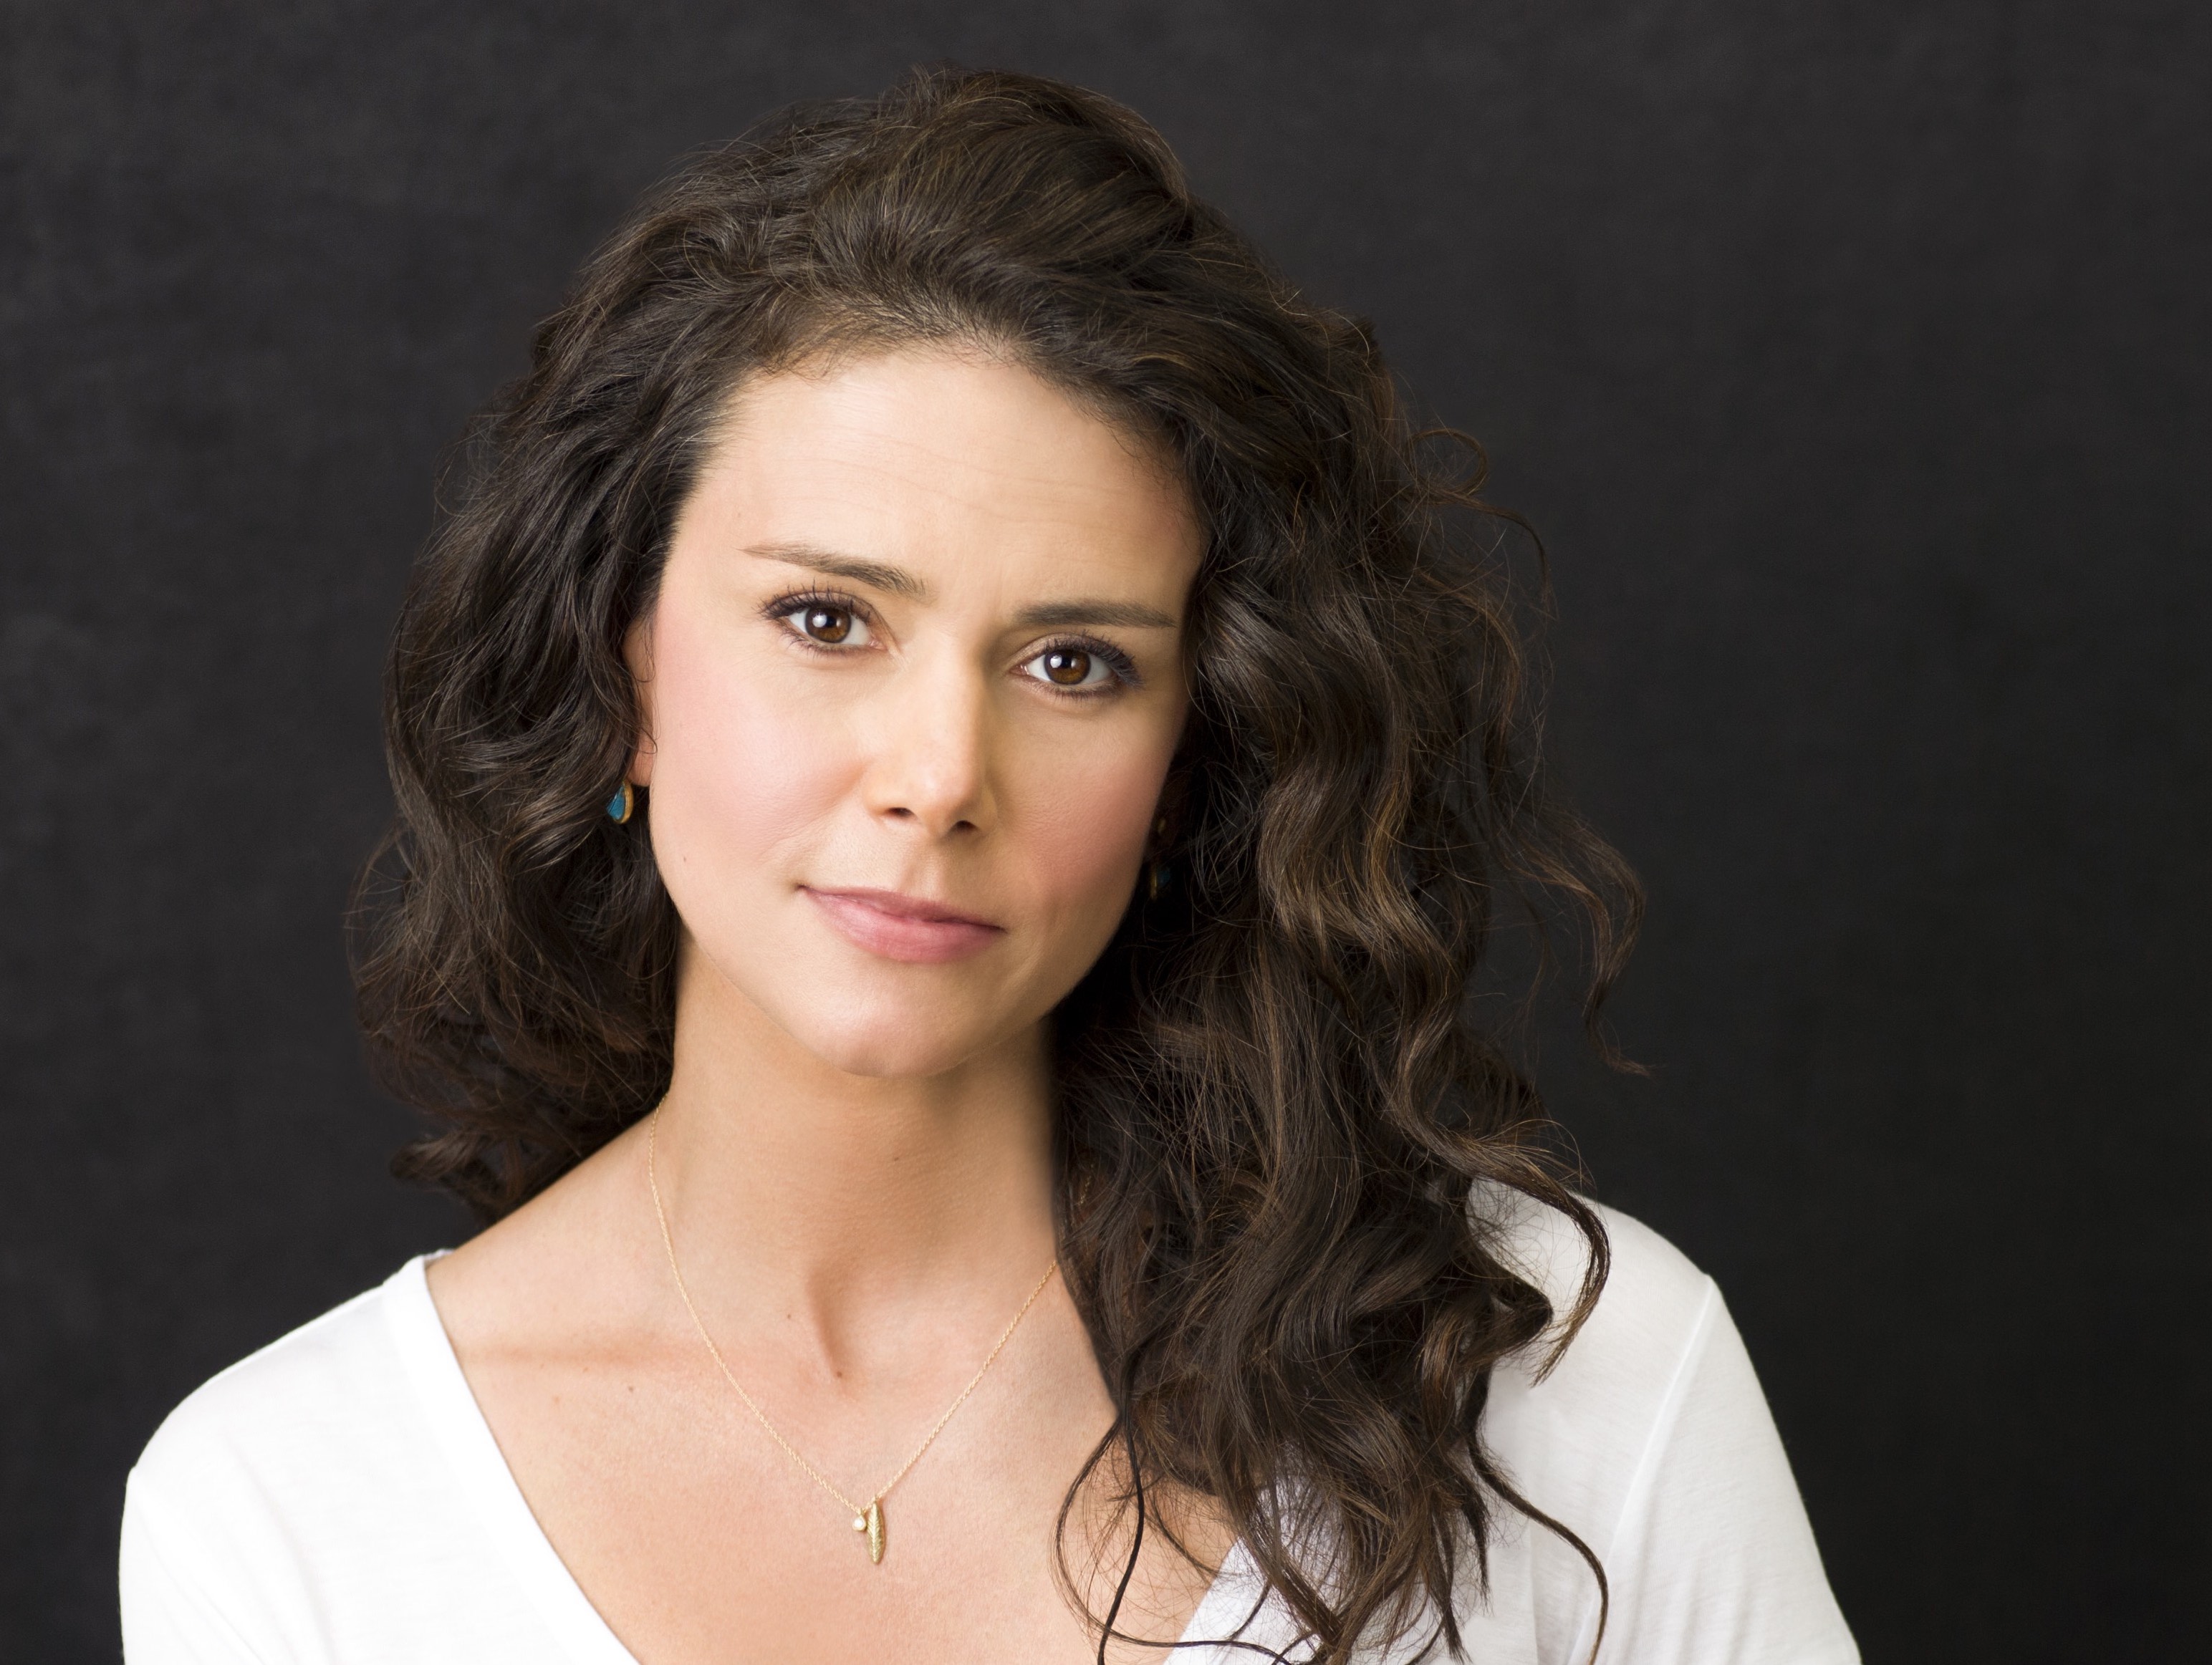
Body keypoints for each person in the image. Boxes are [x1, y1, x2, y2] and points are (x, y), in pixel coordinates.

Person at [118, 67, 1857, 1665]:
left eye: (1071, 663)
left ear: (1193, 758)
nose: (940, 775)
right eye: (825, 619)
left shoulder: (1563, 1377)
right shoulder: (292, 1502)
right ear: (625, 676)